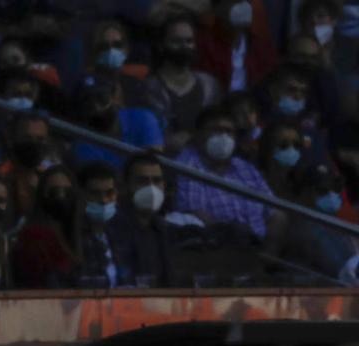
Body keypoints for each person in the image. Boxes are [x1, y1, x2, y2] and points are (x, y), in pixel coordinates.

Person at [174, 105, 277, 242]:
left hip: (258, 250)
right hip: (218, 247)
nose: (223, 137)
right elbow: (195, 213)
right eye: (216, 131)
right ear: (199, 134)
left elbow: (274, 213)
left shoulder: (246, 168)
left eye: (228, 131)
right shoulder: (187, 164)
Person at [140, 16, 223, 155]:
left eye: (189, 41)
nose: (184, 46)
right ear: (161, 45)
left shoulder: (210, 84)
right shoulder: (149, 88)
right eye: (176, 41)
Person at [285, 163, 359, 283]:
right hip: (319, 294)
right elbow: (343, 270)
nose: (331, 194)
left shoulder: (330, 220)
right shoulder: (306, 227)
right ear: (306, 193)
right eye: (323, 190)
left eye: (335, 188)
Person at [112, 153, 178, 288]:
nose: (151, 188)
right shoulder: (111, 228)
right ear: (125, 186)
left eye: (157, 181)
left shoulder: (164, 229)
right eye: (142, 181)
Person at [11, 165, 83, 287]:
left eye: (67, 192)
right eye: (55, 192)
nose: (61, 197)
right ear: (42, 195)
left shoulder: (82, 234)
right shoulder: (33, 237)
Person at [71, 75, 165, 168]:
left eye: (102, 98)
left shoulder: (143, 118)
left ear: (114, 98)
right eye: (88, 104)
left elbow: (155, 165)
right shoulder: (83, 146)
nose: (97, 108)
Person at [197, 0, 277, 95]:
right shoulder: (204, 45)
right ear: (217, 9)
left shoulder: (261, 47)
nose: (242, 6)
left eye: (245, 1)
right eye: (234, 1)